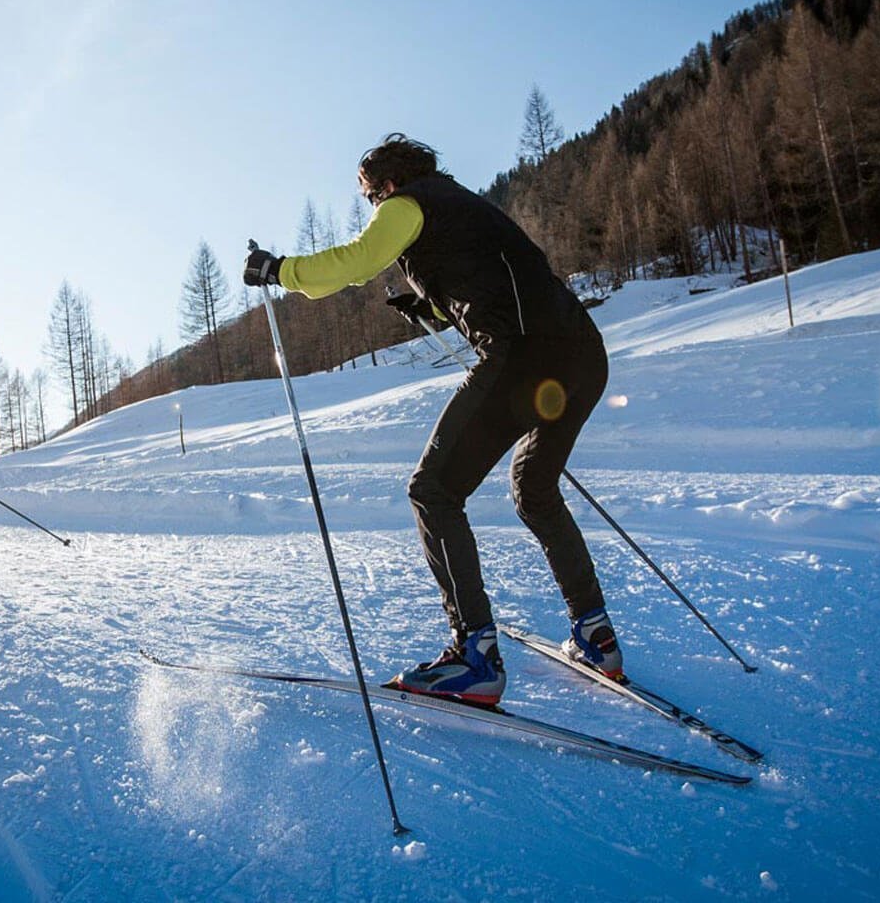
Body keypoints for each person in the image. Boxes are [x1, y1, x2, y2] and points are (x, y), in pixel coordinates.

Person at [243, 134, 620, 706]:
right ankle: (595, 635)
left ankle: (475, 658)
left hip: (522, 355)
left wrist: (280, 270)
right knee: (535, 489)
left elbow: (354, 264)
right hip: (581, 354)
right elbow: (493, 276)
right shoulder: (460, 202)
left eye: (370, 196)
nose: (373, 208)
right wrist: (434, 306)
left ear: (387, 184)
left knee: (433, 490)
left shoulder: (406, 205)